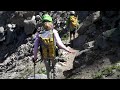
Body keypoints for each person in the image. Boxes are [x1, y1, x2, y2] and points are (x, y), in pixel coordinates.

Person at [33, 14, 75, 79]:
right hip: (53, 53)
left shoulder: (39, 34)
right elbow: (59, 44)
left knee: (48, 70)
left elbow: (35, 48)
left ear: (42, 23)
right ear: (51, 22)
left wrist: (35, 58)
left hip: (45, 55)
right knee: (54, 67)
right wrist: (67, 50)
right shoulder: (54, 32)